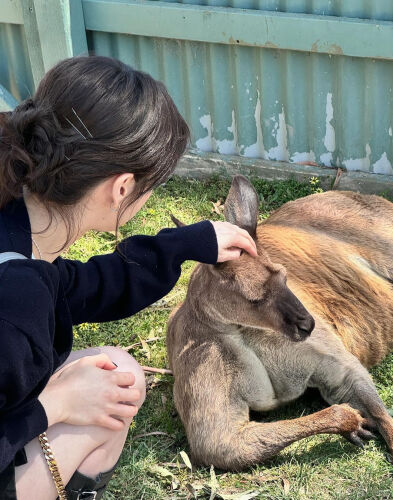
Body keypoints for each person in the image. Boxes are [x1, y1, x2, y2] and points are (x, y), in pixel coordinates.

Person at [0, 56, 257, 500]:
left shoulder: (16, 214)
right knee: (109, 392)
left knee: (118, 373)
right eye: (152, 184)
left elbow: (81, 288)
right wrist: (53, 406)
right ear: (122, 188)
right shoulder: (16, 301)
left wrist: (183, 244)